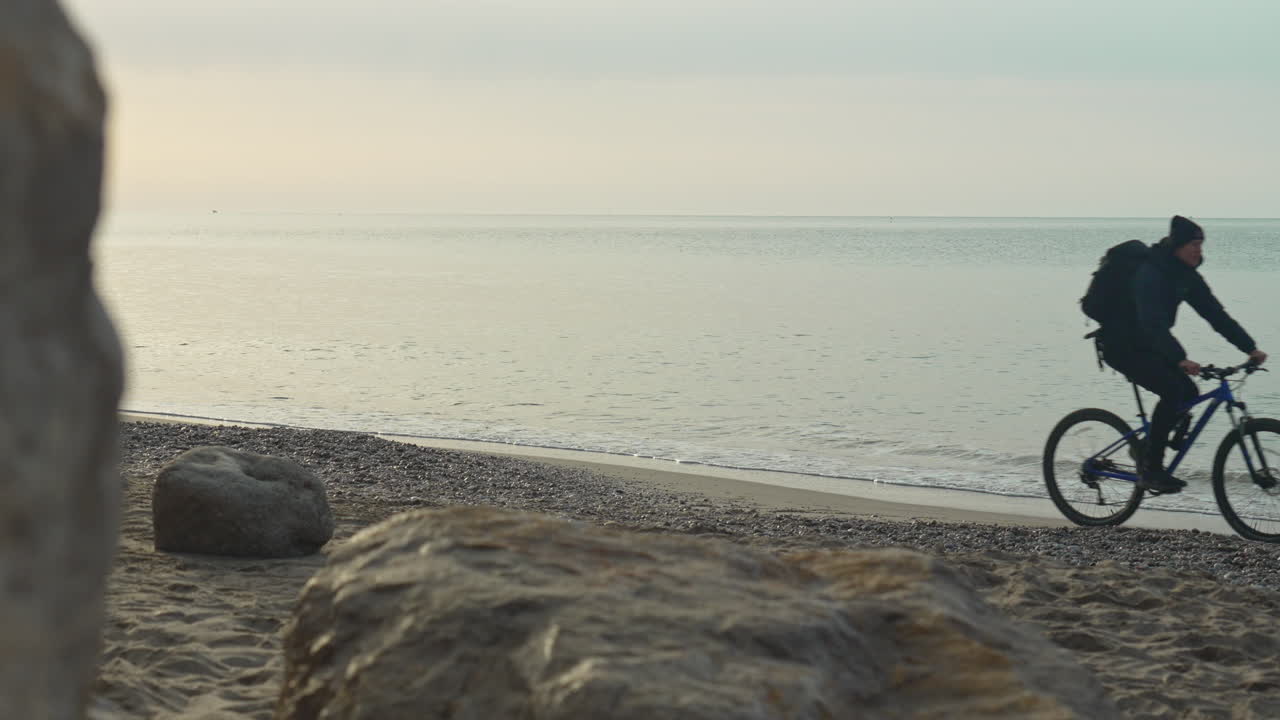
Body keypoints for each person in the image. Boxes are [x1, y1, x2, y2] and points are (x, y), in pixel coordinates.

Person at [1100, 215, 1267, 493]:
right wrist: (1179, 358)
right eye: (1193, 244)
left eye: (1201, 244)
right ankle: (1152, 470)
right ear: (1177, 245)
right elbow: (1151, 322)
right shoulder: (1151, 273)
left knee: (1188, 392)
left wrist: (1250, 347)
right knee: (1171, 390)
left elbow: (1216, 315)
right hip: (1122, 345)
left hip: (1150, 344)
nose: (1199, 250)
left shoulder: (1186, 276)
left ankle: (1145, 449)